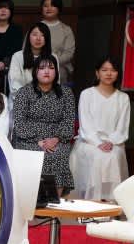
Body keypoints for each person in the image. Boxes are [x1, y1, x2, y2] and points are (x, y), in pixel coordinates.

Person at [12, 54, 75, 196]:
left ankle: (54, 202)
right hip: (28, 139)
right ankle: (31, 201)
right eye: (42, 68)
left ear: (56, 72)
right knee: (37, 155)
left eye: (51, 68)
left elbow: (68, 121)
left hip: (57, 138)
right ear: (35, 71)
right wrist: (38, 141)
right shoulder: (24, 92)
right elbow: (19, 123)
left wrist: (56, 139)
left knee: (57, 155)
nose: (47, 71)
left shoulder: (66, 93)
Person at [70, 57, 130, 201]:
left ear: (118, 74)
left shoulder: (123, 98)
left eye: (113, 70)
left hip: (114, 142)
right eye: (104, 70)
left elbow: (122, 127)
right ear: (97, 73)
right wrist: (98, 143)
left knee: (113, 156)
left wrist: (111, 142)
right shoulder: (87, 94)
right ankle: (92, 201)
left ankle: (110, 203)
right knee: (98, 156)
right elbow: (85, 125)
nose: (109, 73)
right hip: (89, 141)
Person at [8, 22, 58, 107]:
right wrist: (31, 101)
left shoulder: (53, 57)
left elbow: (56, 83)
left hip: (46, 103)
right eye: (35, 34)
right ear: (28, 36)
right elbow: (14, 85)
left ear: (47, 38)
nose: (38, 38)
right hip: (21, 103)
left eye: (42, 35)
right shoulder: (18, 56)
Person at [40, 0, 75, 84]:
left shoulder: (66, 29)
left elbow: (69, 53)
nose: (48, 8)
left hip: (59, 68)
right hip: (36, 67)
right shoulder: (35, 28)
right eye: (45, 6)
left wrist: (51, 63)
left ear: (59, 8)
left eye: (52, 5)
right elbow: (26, 50)